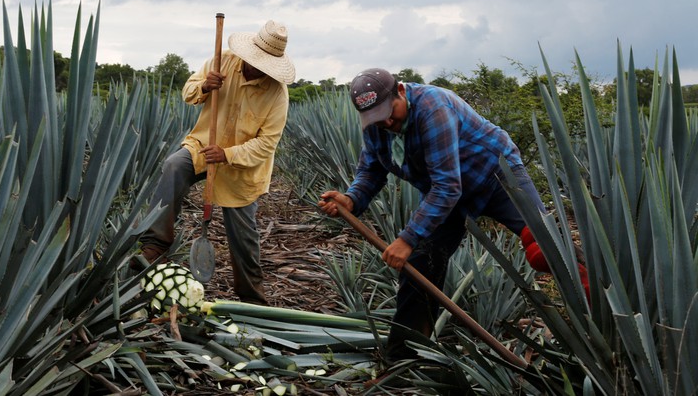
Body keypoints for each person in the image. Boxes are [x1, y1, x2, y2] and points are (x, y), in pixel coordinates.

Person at [318, 68, 589, 363]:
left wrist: (407, 238)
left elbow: (448, 186)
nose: (386, 121)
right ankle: (406, 357)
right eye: (375, 117)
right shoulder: (377, 124)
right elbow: (372, 169)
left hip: (495, 175)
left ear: (400, 91)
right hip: (449, 194)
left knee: (545, 246)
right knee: (420, 264)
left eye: (389, 111)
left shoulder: (433, 107)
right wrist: (352, 198)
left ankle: (604, 312)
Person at [134, 19, 295, 306]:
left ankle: (252, 299)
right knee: (175, 166)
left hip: (241, 168)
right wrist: (206, 86)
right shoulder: (222, 62)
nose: (255, 66)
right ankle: (156, 246)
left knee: (243, 237)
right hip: (203, 146)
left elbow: (266, 145)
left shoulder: (277, 95)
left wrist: (228, 154)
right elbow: (188, 92)